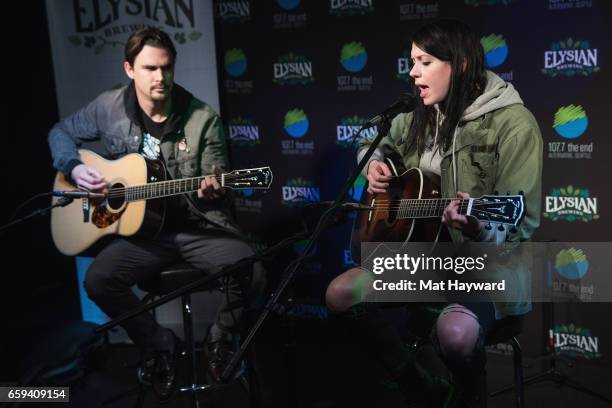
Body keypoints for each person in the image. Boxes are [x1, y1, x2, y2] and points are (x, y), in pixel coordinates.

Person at [325, 19, 542, 407]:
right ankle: (419, 384)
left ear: (457, 64)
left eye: (424, 61)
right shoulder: (416, 115)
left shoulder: (513, 123)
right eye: (412, 61)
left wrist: (478, 227)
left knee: (456, 332)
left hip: (489, 265)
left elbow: (519, 220)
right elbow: (371, 142)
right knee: (341, 294)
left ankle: (467, 398)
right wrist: (373, 163)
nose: (412, 72)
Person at [48, 28, 263, 400]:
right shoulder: (108, 107)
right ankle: (158, 343)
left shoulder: (202, 119)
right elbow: (60, 132)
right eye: (150, 68)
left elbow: (215, 178)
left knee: (254, 271)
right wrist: (74, 167)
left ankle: (221, 339)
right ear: (129, 69)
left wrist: (214, 189)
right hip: (144, 236)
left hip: (198, 227)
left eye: (166, 67)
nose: (160, 77)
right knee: (99, 280)